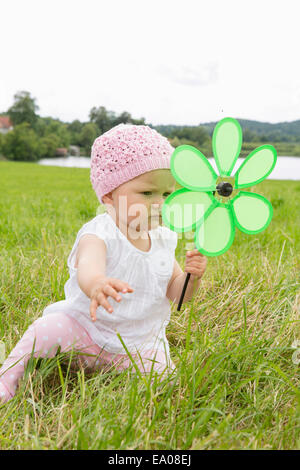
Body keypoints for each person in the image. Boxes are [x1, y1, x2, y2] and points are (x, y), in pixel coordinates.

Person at [0, 124, 207, 403]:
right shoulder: (100, 232)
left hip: (138, 343)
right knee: (45, 330)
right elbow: (89, 265)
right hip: (87, 332)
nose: (160, 203)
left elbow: (176, 293)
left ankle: (127, 372)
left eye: (168, 195)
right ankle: (7, 383)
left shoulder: (163, 239)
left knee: (166, 380)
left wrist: (192, 279)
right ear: (109, 195)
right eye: (147, 194)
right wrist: (96, 283)